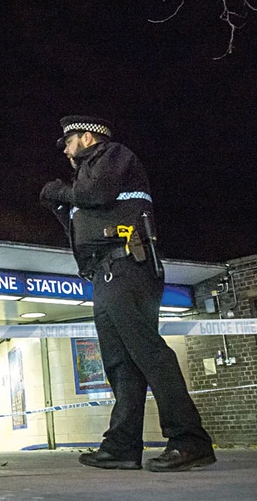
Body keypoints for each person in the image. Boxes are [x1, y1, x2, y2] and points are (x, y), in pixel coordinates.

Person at [40, 115, 215, 472]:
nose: (66, 150)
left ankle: (190, 441)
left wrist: (58, 191)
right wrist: (60, 206)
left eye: (68, 142)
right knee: (121, 364)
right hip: (106, 273)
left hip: (128, 267)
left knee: (149, 353)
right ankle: (122, 446)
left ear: (87, 138)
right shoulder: (87, 176)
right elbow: (83, 224)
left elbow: (96, 195)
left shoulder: (114, 155)